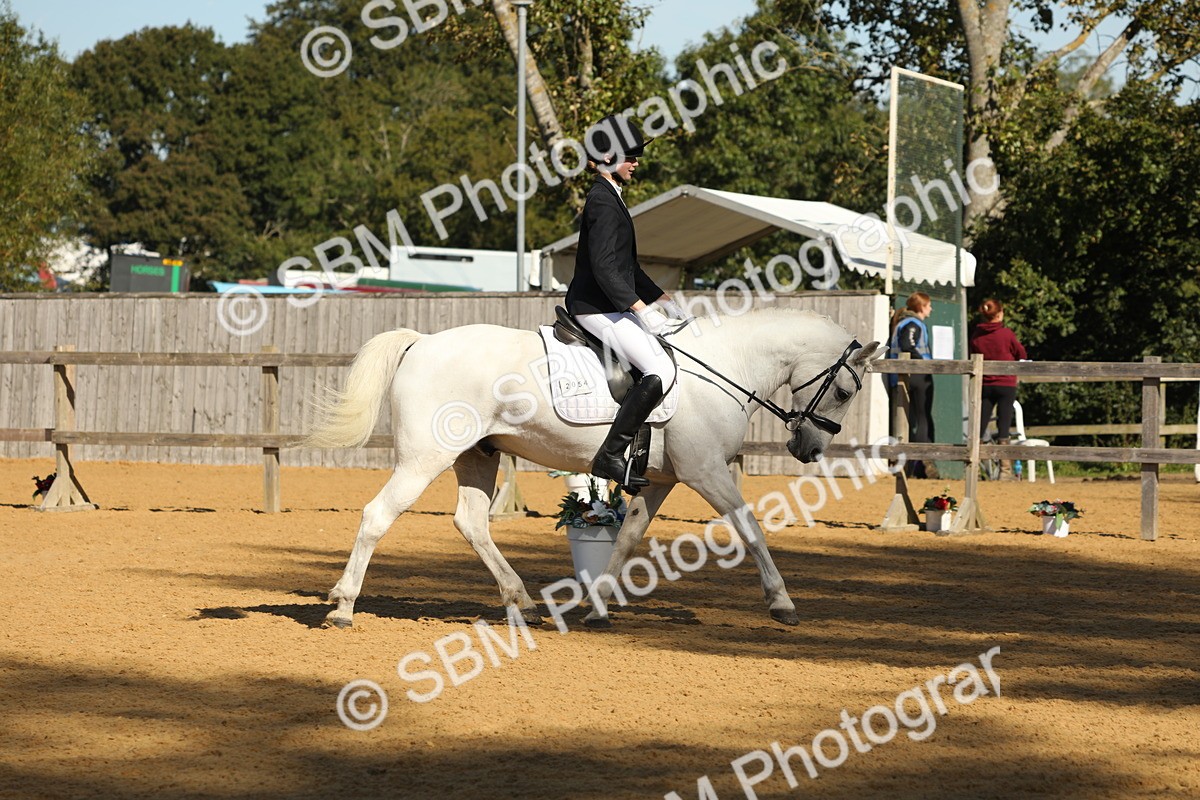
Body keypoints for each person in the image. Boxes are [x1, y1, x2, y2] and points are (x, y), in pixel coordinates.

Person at [565, 114, 690, 490]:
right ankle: (610, 454)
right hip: (594, 307)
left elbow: (627, 266)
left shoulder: (611, 196)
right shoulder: (602, 200)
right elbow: (604, 269)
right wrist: (640, 309)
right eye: (630, 156)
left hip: (611, 305)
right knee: (659, 370)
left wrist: (664, 300)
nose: (637, 162)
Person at [969, 298, 1027, 479]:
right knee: (1003, 426)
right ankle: (1005, 470)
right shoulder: (1006, 333)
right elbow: (1021, 353)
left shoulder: (977, 334)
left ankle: (974, 466)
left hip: (985, 384)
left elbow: (973, 351)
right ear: (1000, 314)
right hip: (1006, 384)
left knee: (980, 425)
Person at [887, 292, 937, 479]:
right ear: (921, 306)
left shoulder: (900, 322)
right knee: (922, 419)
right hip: (917, 374)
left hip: (900, 376)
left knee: (904, 422)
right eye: (928, 305)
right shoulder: (913, 324)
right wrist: (923, 363)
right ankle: (920, 464)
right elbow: (908, 344)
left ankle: (907, 464)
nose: (931, 308)